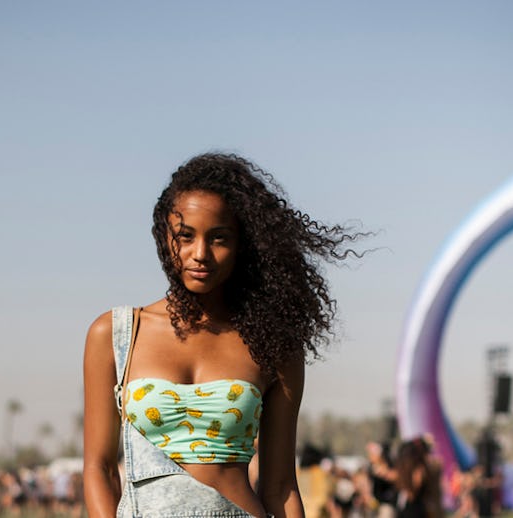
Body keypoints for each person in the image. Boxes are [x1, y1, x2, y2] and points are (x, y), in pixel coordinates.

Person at [83, 153, 365, 517]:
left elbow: (280, 487)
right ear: (164, 237)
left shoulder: (273, 345)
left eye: (219, 238)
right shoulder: (116, 334)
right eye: (185, 236)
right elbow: (99, 469)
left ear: (243, 246)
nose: (199, 254)